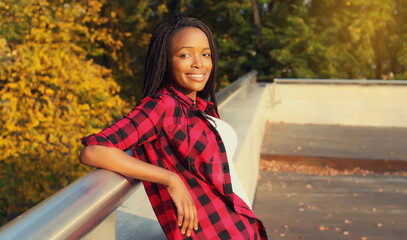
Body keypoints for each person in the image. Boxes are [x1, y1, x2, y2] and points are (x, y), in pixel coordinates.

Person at [79, 15, 267, 240]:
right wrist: (170, 179)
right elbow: (94, 150)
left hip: (241, 227)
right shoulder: (161, 106)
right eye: (185, 54)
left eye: (205, 54)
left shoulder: (201, 106)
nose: (199, 63)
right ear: (165, 61)